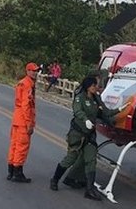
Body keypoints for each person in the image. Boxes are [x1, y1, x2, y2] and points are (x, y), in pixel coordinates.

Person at [49, 72, 119, 200]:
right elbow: (77, 111)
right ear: (88, 86)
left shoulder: (96, 98)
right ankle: (55, 179)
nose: (96, 87)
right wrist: (85, 119)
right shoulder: (79, 98)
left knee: (91, 160)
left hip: (90, 135)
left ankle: (89, 189)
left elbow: (106, 112)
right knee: (70, 159)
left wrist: (121, 109)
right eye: (94, 85)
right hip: (78, 134)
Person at [7, 62, 38, 183]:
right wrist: (29, 123)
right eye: (33, 71)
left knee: (14, 145)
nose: (35, 73)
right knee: (22, 147)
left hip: (17, 118)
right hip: (23, 120)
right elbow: (26, 105)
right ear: (28, 71)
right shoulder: (27, 85)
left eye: (36, 71)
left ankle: (11, 171)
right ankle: (17, 173)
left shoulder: (22, 82)